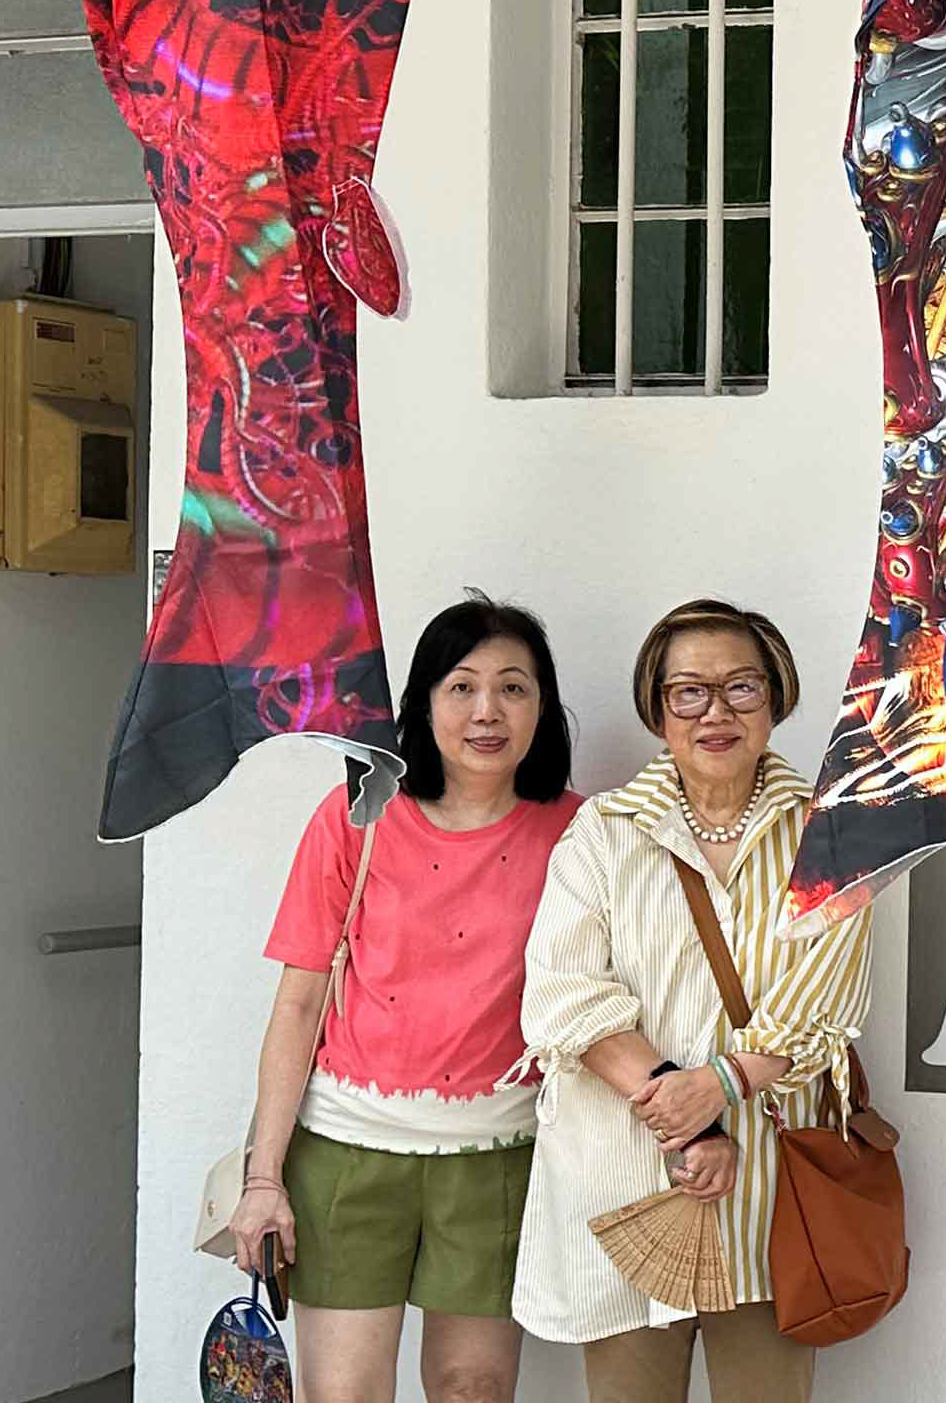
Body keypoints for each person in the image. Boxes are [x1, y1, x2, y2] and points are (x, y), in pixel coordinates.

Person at [225, 595, 584, 1403]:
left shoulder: (579, 832)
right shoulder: (358, 815)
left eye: (513, 687)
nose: (487, 711)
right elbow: (299, 1003)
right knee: (344, 1393)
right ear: (422, 704)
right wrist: (263, 1178)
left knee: (473, 1388)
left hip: (497, 1157)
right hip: (347, 1152)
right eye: (462, 687)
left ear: (543, 707)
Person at [517, 598, 874, 1403]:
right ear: (658, 710)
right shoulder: (604, 830)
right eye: (689, 692)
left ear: (776, 698)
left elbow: (821, 1003)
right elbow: (565, 994)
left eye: (741, 687)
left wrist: (719, 1087)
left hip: (774, 1190)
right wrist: (688, 1117)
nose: (715, 713)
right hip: (625, 1184)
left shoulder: (831, 834)